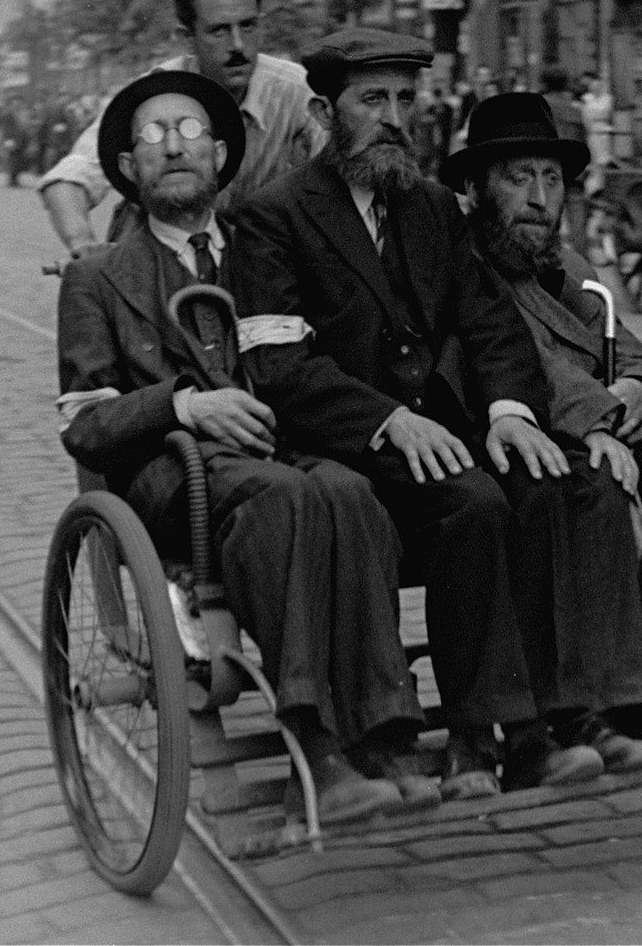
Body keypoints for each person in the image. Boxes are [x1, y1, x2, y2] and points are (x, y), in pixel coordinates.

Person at [230, 28, 642, 798]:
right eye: (373, 100)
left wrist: (511, 412)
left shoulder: (430, 208)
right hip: (342, 448)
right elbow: (278, 367)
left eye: (407, 100)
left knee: (556, 477)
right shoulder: (272, 217)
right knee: (475, 503)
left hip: (442, 441)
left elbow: (489, 323)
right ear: (324, 109)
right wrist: (390, 420)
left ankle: (559, 722)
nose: (395, 117)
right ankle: (478, 737)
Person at [55, 68, 430, 822]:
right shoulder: (97, 276)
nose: (174, 148)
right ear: (127, 170)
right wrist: (183, 404)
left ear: (222, 156)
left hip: (278, 449)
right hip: (174, 474)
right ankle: (316, 746)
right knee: (285, 496)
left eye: (191, 132)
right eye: (153, 137)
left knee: (349, 490)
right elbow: (85, 422)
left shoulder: (267, 244)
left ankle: (385, 729)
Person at [443, 93, 642, 775]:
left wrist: (637, 390)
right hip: (509, 439)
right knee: (594, 480)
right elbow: (529, 366)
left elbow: (639, 354)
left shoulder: (571, 267)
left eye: (552, 179)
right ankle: (604, 709)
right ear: (474, 187)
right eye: (517, 177)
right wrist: (602, 420)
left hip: (592, 427)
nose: (538, 197)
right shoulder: (465, 266)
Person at [38, 0, 325, 258]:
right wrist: (83, 242)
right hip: (160, 254)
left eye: (248, 26)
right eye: (219, 30)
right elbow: (70, 178)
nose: (238, 45)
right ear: (187, 38)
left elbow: (340, 183)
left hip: (259, 252)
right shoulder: (151, 91)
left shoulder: (297, 89)